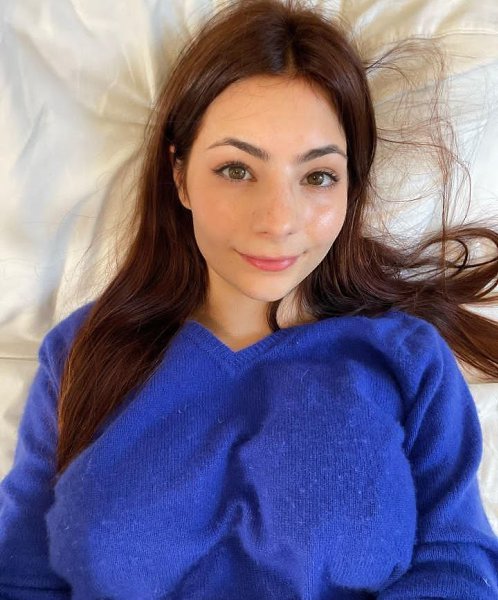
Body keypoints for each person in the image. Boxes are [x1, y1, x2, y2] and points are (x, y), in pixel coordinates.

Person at [1, 0, 498, 597]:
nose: (278, 221)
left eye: (317, 177)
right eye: (237, 170)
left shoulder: (407, 359)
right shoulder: (81, 353)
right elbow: (22, 570)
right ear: (179, 175)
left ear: (350, 188)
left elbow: (457, 563)